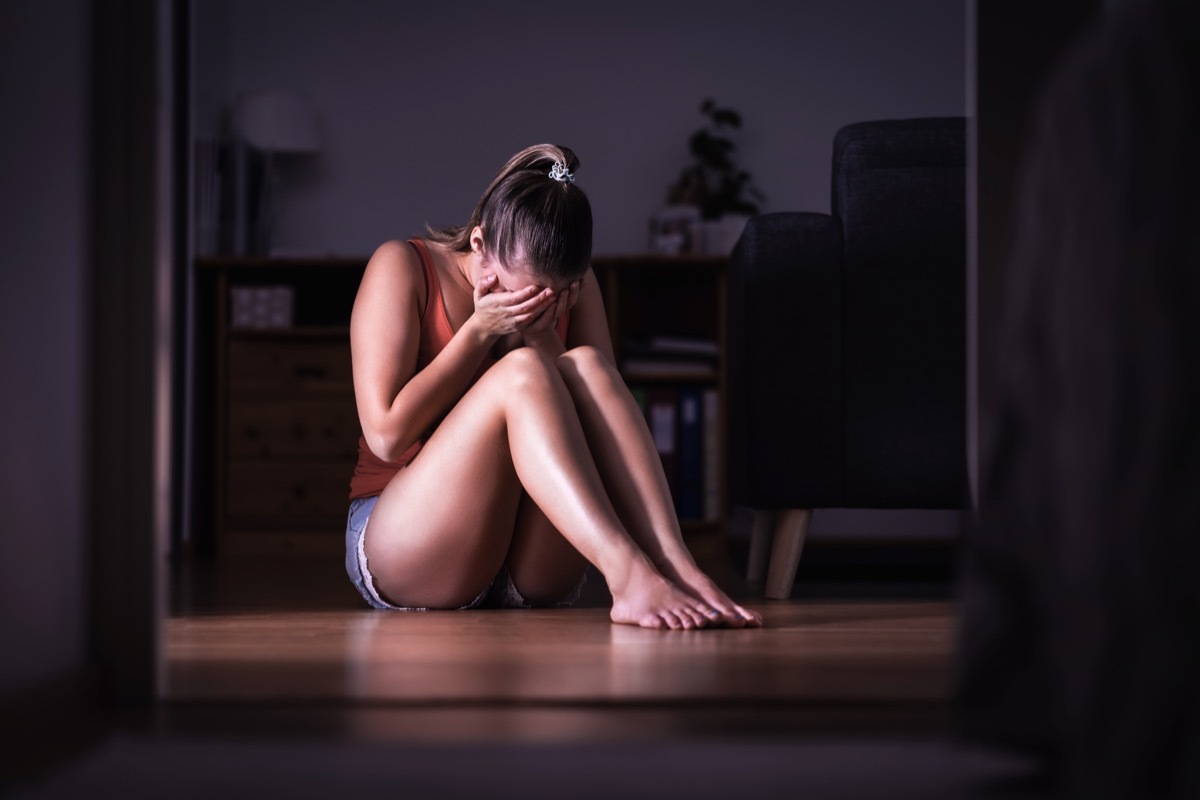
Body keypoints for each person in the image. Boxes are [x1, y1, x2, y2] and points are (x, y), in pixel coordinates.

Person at [344, 144, 761, 630]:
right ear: (479, 245)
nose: (536, 306)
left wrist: (543, 335)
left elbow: (601, 428)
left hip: (526, 565)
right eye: (517, 296)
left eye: (549, 299)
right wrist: (479, 332)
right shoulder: (403, 266)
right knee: (523, 374)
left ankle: (678, 568)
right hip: (409, 546)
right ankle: (627, 577)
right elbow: (386, 435)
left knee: (587, 366)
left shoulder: (573, 287)